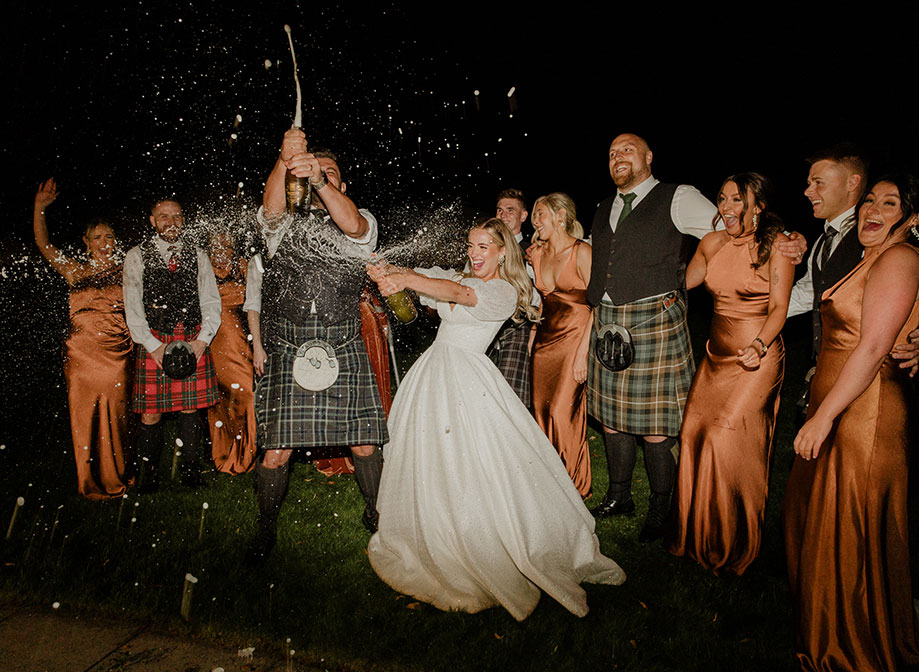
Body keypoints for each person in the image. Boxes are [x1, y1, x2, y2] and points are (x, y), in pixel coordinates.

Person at [366, 219, 625, 621]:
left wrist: (408, 278)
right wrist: (389, 274)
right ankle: (434, 527)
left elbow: (457, 293)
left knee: (478, 461)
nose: (475, 252)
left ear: (503, 251)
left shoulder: (502, 291)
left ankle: (484, 536)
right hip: (434, 373)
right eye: (471, 245)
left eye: (484, 246)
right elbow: (436, 284)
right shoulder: (458, 274)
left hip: (467, 377)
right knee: (432, 456)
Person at [783, 175, 919, 672]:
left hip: (868, 415)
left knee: (853, 534)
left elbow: (873, 347)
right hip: (843, 407)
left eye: (890, 203)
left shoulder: (900, 258)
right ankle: (832, 629)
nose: (872, 210)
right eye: (868, 202)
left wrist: (822, 418)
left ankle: (855, 645)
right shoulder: (871, 256)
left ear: (912, 217)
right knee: (815, 524)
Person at [246, 128, 388, 563]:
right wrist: (284, 156)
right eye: (314, 173)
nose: (321, 177)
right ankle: (265, 527)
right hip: (289, 345)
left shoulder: (359, 220)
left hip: (341, 340)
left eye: (331, 175)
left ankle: (376, 513)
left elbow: (355, 227)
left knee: (364, 442)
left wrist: (321, 180)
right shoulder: (283, 223)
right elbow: (269, 213)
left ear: (342, 185)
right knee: (276, 450)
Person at [664, 173, 793, 574]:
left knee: (726, 439)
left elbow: (779, 308)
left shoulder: (779, 246)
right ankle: (694, 534)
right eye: (722, 199)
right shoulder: (713, 243)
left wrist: (758, 346)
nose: (727, 207)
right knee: (692, 435)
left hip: (757, 355)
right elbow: (683, 283)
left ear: (759, 206)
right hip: (715, 356)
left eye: (737, 200)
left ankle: (733, 540)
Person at [32, 178, 132, 500]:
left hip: (116, 354)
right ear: (87, 242)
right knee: (84, 418)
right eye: (97, 238)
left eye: (109, 236)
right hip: (80, 357)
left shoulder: (129, 270)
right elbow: (44, 245)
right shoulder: (75, 271)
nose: (104, 242)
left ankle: (117, 477)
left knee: (116, 417)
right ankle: (88, 481)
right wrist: (39, 210)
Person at [123, 198, 221, 492]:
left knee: (191, 408)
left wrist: (202, 340)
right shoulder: (136, 256)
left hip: (192, 338)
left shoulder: (198, 254)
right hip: (154, 337)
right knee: (151, 412)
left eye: (177, 216)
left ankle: (191, 472)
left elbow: (210, 300)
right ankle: (149, 476)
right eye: (164, 216)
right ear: (152, 221)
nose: (172, 221)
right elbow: (133, 306)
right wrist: (153, 346)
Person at [529, 193, 593, 497]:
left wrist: (584, 352)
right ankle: (549, 486)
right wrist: (531, 340)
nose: (535, 221)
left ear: (560, 216)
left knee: (560, 410)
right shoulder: (537, 253)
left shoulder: (582, 252)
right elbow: (543, 303)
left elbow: (600, 306)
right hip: (544, 341)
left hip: (576, 338)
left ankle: (573, 486)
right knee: (541, 411)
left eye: (540, 214)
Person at [206, 230, 256, 475]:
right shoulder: (203, 270)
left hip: (243, 342)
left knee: (248, 394)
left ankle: (249, 452)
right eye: (217, 244)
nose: (222, 248)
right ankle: (226, 453)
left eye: (227, 244)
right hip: (215, 344)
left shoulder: (243, 267)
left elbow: (257, 300)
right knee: (221, 400)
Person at [489, 188, 537, 407]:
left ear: (524, 216)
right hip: (485, 331)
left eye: (510, 210)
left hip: (518, 330)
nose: (503, 215)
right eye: (500, 210)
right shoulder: (485, 250)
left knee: (511, 401)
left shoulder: (532, 252)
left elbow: (539, 299)